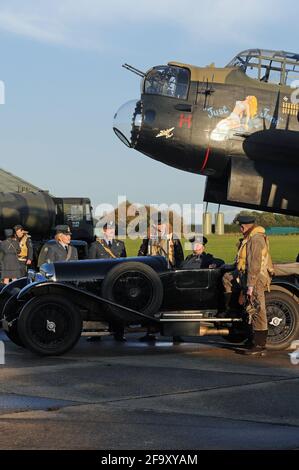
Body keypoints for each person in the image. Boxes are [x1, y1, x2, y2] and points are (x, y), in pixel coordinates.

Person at [222, 215, 274, 356]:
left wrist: (250, 286)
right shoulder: (249, 237)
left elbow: (254, 265)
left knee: (257, 310)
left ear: (245, 226)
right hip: (247, 275)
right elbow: (243, 260)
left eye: (241, 226)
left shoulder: (255, 239)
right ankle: (250, 338)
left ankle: (259, 345)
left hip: (255, 278)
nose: (239, 228)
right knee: (227, 279)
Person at [138, 213, 184, 343]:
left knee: (173, 306)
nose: (159, 227)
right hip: (152, 274)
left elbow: (180, 257)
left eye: (161, 223)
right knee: (152, 304)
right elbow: (141, 255)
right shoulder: (148, 239)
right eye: (156, 224)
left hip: (169, 274)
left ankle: (176, 333)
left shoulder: (173, 238)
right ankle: (151, 332)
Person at [88, 221, 127, 342]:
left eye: (113, 229)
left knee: (118, 307)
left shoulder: (120, 244)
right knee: (98, 308)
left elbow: (125, 262)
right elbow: (90, 264)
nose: (111, 231)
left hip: (116, 280)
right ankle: (96, 333)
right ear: (104, 231)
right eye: (109, 229)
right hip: (101, 281)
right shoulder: (96, 245)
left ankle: (119, 333)